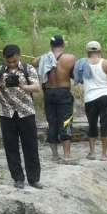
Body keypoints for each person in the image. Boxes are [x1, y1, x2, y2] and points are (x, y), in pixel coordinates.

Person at [0, 44, 43, 189]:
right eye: (9, 61)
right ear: (4, 58)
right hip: (7, 114)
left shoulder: (28, 69)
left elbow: (37, 87)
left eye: (14, 61)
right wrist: (2, 85)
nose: (12, 64)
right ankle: (18, 178)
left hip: (26, 113)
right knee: (11, 147)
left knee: (31, 147)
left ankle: (34, 179)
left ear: (19, 56)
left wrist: (23, 86)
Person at [32, 34, 77, 163]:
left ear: (51, 46)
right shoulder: (70, 58)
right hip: (63, 92)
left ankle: (55, 155)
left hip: (49, 92)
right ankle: (67, 155)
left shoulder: (44, 58)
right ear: (63, 44)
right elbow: (74, 74)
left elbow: (33, 62)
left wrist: (46, 55)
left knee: (51, 122)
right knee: (66, 121)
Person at [79, 41, 107, 161]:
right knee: (106, 124)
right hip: (104, 96)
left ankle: (92, 153)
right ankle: (104, 155)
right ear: (100, 51)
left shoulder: (82, 63)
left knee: (92, 125)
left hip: (89, 98)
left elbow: (78, 79)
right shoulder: (106, 63)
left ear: (87, 51)